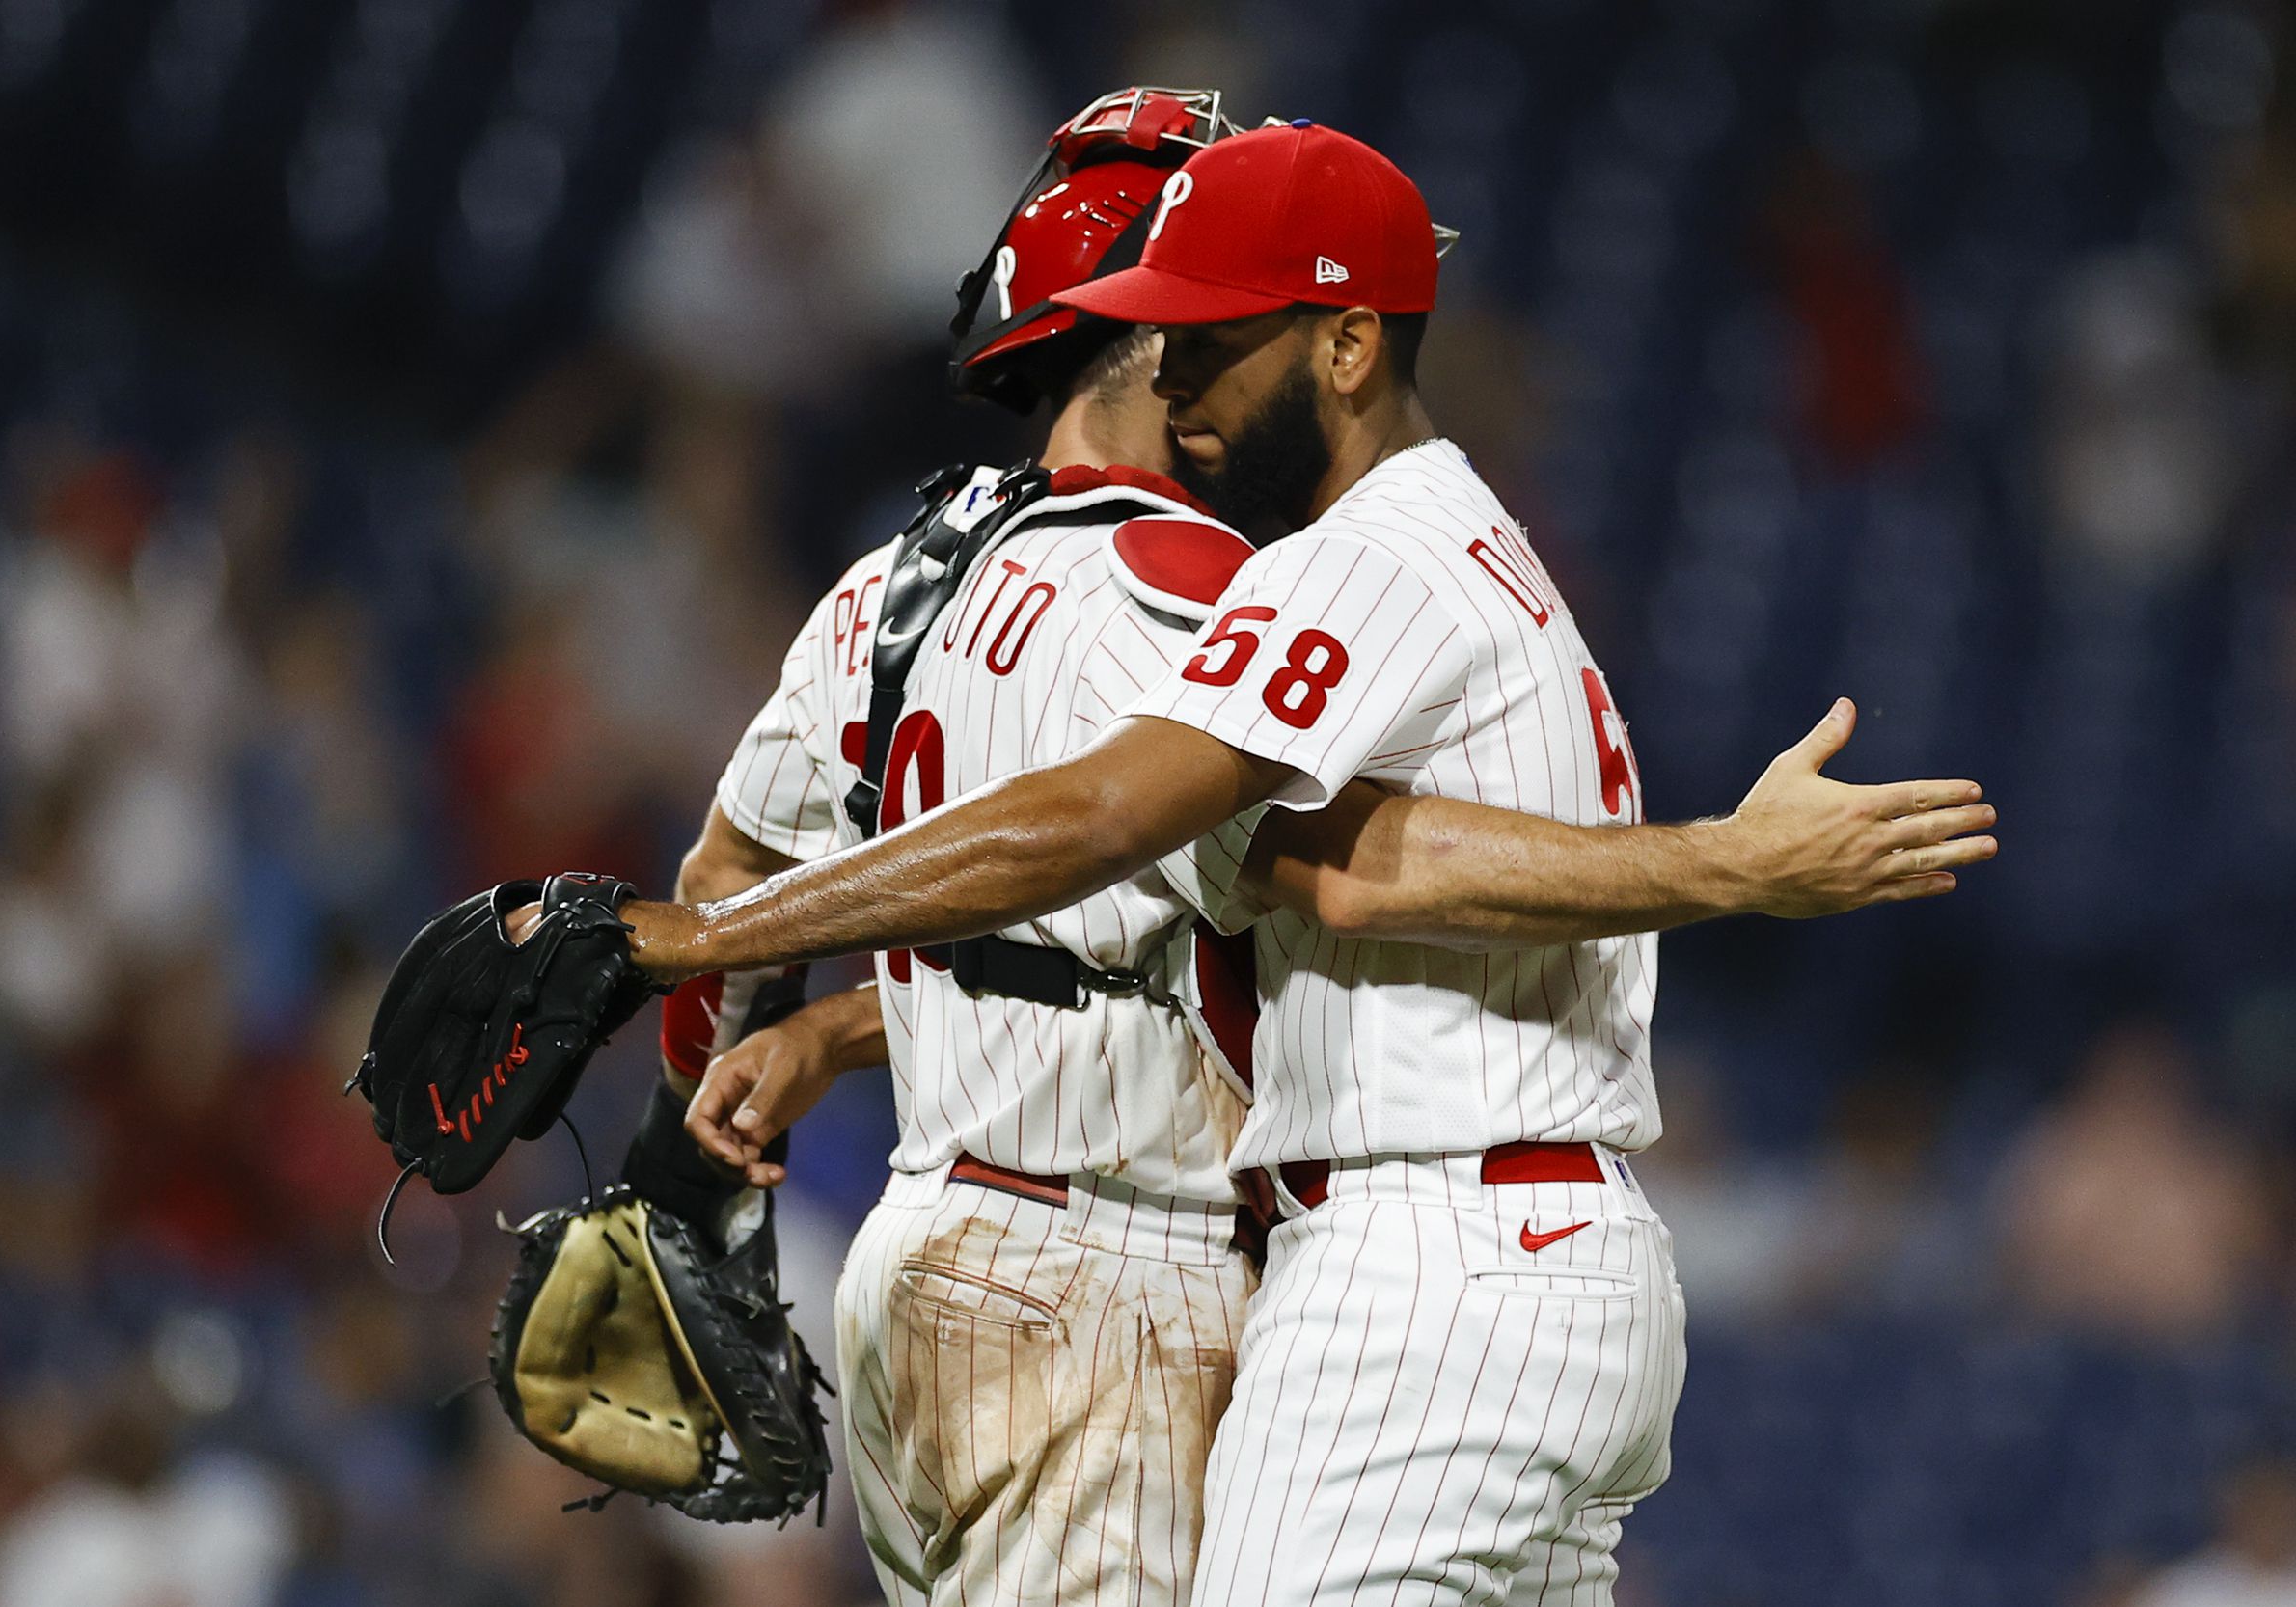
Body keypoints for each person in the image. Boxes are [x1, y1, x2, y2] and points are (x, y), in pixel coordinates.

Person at [533, 121, 1996, 1604]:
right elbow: (1277, 885)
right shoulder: (1430, 557)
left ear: (1349, 344)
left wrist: (683, 943)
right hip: (1504, 1246)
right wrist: (846, 1031)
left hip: (1427, 1259)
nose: (1172, 386)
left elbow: (1140, 826)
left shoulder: (1354, 560)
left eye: (1210, 343)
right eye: (1156, 345)